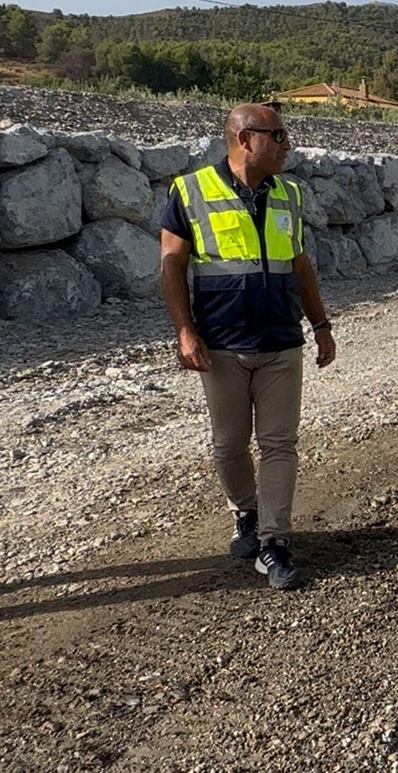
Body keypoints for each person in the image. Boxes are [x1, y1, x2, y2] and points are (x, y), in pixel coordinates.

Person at [158, 103, 337, 590]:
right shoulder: (189, 191)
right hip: (222, 347)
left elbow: (299, 265)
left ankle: (274, 542)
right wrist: (185, 330)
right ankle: (247, 513)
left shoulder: (290, 194)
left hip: (281, 341)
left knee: (280, 444)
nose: (286, 145)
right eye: (277, 135)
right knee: (229, 445)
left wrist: (320, 323)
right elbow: (171, 264)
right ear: (244, 139)